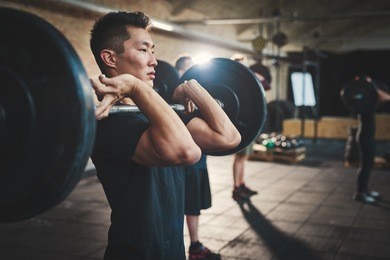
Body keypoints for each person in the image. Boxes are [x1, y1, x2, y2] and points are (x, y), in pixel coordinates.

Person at [89, 11, 241, 260]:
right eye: (143, 50)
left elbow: (228, 138)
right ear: (110, 58)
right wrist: (137, 87)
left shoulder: (160, 116)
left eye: (153, 50)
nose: (154, 61)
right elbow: (187, 152)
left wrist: (193, 87)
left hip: (172, 250)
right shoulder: (110, 124)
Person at [175, 55, 221, 259]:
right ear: (178, 72)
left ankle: (194, 245)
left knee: (193, 203)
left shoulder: (199, 94)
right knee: (181, 204)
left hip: (199, 158)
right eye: (187, 70)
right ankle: (189, 246)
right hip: (182, 160)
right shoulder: (172, 96)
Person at [230, 54, 272, 201]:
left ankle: (241, 184)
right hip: (240, 124)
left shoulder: (246, 79)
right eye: (242, 64)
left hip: (249, 122)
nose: (245, 67)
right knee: (239, 157)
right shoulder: (233, 80)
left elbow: (266, 85)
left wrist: (252, 73)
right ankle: (236, 188)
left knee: (244, 157)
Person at [352, 75, 390, 204]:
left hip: (367, 136)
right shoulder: (364, 103)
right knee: (365, 166)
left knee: (368, 165)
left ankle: (365, 190)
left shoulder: (368, 101)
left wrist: (368, 85)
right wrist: (369, 85)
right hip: (365, 137)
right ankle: (360, 193)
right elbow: (386, 97)